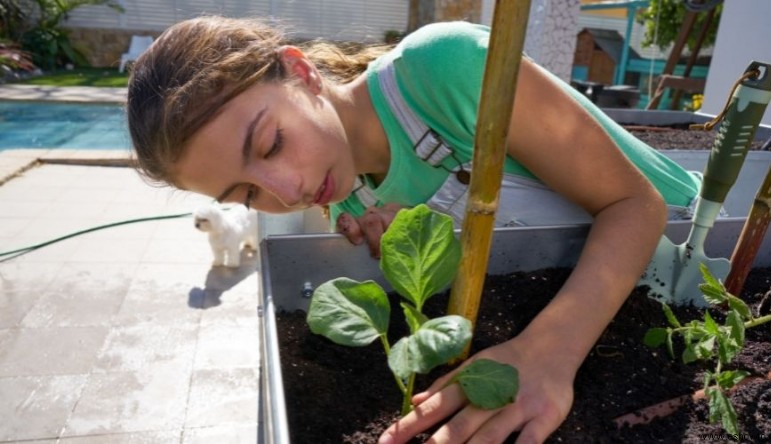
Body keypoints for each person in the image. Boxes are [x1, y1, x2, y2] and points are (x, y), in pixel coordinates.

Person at [127, 15, 701, 443]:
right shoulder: (346, 194)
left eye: (272, 143)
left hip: (692, 270)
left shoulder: (442, 68)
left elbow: (635, 205)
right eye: (246, 194)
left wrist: (548, 352)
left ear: (301, 72)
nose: (288, 190)